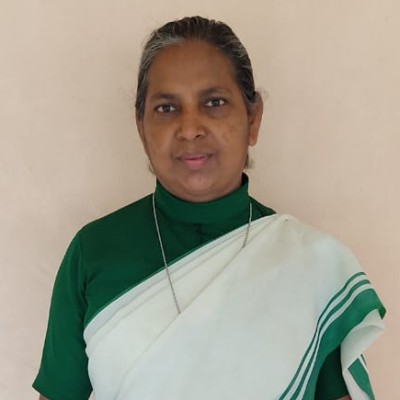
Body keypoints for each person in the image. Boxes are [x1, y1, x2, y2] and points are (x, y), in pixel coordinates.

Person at [33, 16, 385, 400]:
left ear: (253, 119)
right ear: (141, 127)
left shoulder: (313, 266)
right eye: (166, 108)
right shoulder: (94, 253)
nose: (190, 128)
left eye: (214, 103)